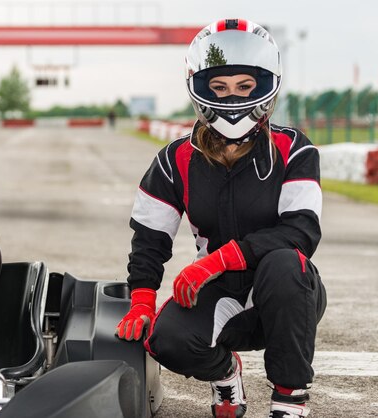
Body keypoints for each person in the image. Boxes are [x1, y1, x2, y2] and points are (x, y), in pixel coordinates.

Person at [115, 18, 326, 418]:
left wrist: (221, 258)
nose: (233, 97)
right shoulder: (175, 159)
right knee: (165, 340)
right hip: (216, 292)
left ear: (266, 86)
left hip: (288, 294)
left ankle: (289, 400)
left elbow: (300, 232)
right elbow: (149, 237)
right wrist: (142, 298)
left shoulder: (294, 148)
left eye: (244, 87)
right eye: (220, 87)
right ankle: (227, 374)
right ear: (201, 88)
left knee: (283, 263)